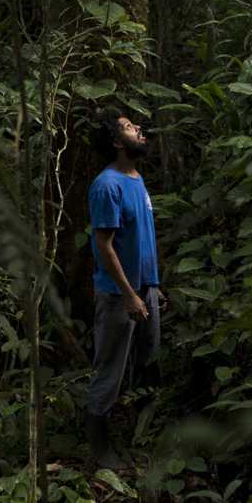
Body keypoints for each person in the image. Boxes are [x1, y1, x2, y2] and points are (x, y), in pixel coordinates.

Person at [85, 106, 166, 469]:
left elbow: (140, 240)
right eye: (132, 128)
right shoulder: (107, 185)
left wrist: (151, 287)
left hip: (144, 291)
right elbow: (103, 246)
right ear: (118, 142)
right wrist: (130, 294)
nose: (140, 130)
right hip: (120, 296)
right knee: (110, 371)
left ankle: (144, 439)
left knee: (149, 365)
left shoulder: (136, 178)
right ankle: (98, 449)